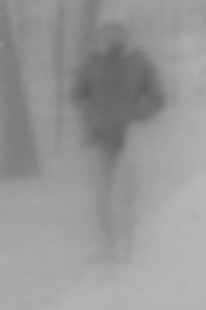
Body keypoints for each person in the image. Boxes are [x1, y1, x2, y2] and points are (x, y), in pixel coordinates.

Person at [69, 20, 166, 261]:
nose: (113, 36)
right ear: (101, 34)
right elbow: (76, 95)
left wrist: (139, 115)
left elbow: (159, 97)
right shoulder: (91, 61)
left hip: (130, 138)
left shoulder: (139, 61)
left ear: (125, 34)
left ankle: (127, 249)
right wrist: (90, 114)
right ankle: (107, 247)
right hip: (98, 138)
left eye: (118, 32)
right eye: (108, 32)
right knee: (101, 196)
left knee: (126, 196)